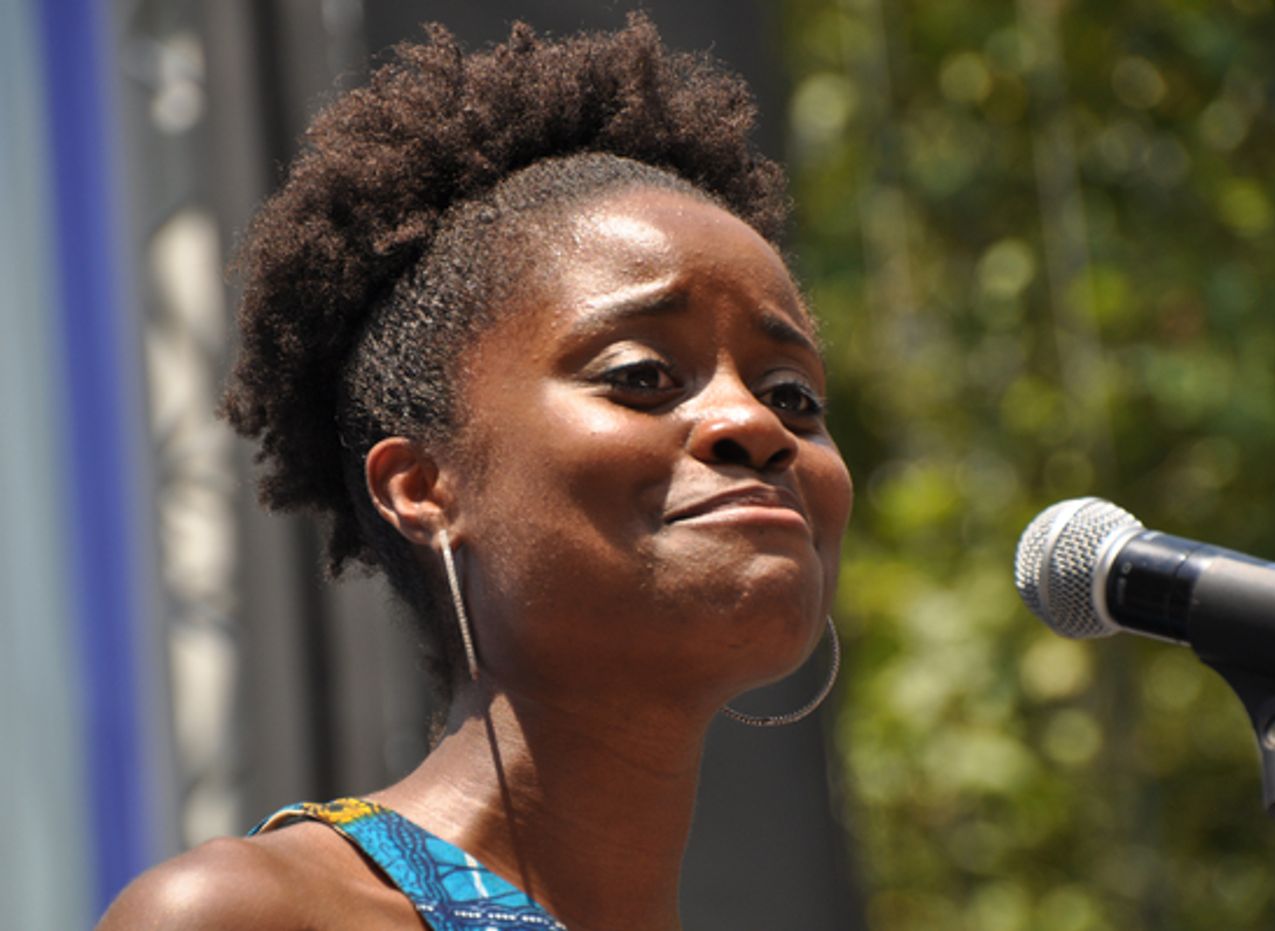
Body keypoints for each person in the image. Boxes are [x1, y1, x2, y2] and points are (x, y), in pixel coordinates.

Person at [97, 14, 851, 931]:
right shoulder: (253, 915)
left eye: (794, 395)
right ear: (423, 486)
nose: (753, 424)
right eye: (641, 376)